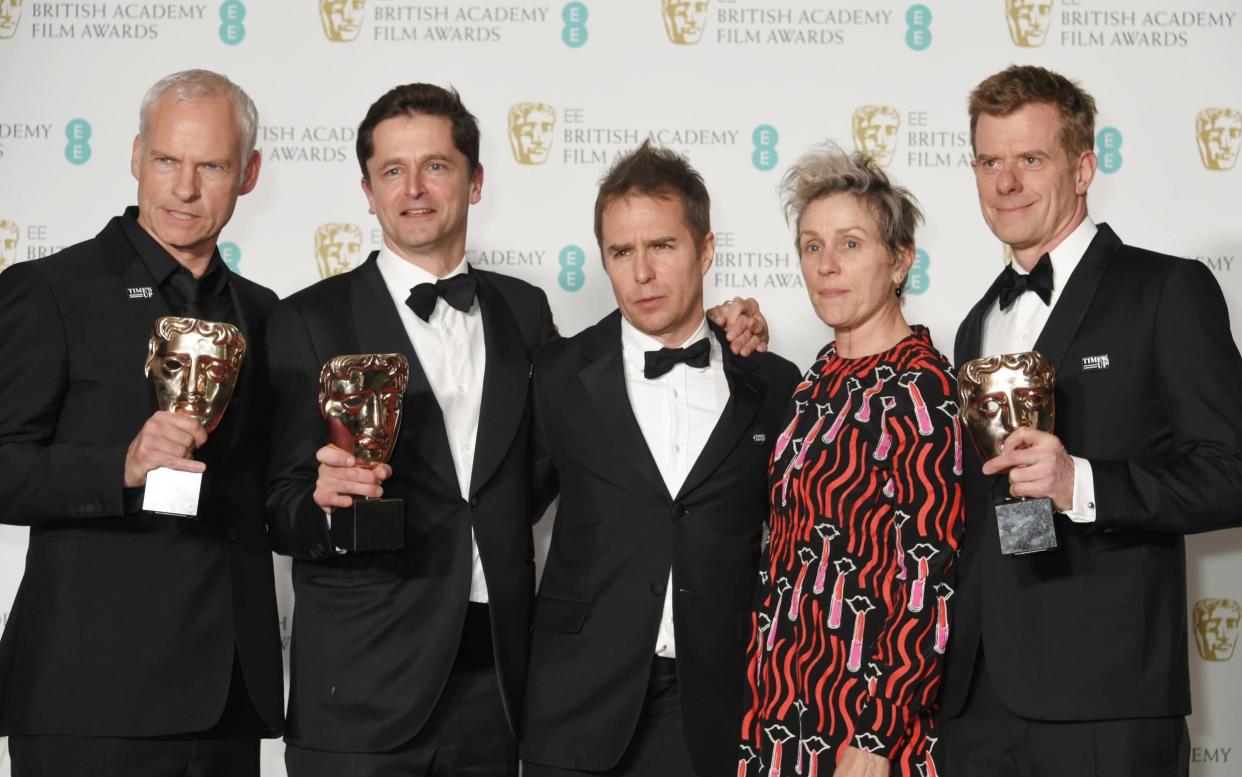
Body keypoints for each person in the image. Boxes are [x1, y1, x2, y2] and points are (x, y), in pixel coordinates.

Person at [266, 86, 766, 777]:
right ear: (367, 189)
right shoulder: (306, 320)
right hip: (362, 691)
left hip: (500, 688)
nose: (414, 188)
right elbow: (275, 506)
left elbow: (573, 455)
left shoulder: (524, 315)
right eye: (392, 171)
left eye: (436, 166)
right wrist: (320, 503)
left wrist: (724, 335)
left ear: (474, 182)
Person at [936, 64, 1242, 777]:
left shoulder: (1168, 290)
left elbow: (1233, 472)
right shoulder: (976, 322)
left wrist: (1083, 483)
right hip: (977, 703)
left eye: (1030, 159)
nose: (1005, 181)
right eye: (990, 160)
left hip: (1107, 702)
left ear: (1082, 168)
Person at [0, 69, 283, 776]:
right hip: (91, 698)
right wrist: (120, 466)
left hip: (228, 699)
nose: (184, 189)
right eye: (166, 160)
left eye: (211, 165)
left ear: (247, 174)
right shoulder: (50, 291)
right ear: (135, 156)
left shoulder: (266, 313)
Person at [520, 141, 799, 777]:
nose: (642, 272)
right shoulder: (559, 373)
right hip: (577, 703)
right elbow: (506, 512)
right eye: (622, 252)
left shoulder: (773, 384)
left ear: (705, 249)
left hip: (722, 703)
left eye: (663, 247)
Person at [739, 143, 963, 777]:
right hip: (779, 705)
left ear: (900, 262)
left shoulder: (924, 387)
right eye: (812, 246)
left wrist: (879, 734)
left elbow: (930, 575)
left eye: (851, 244)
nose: (827, 266)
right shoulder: (817, 377)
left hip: (861, 726)